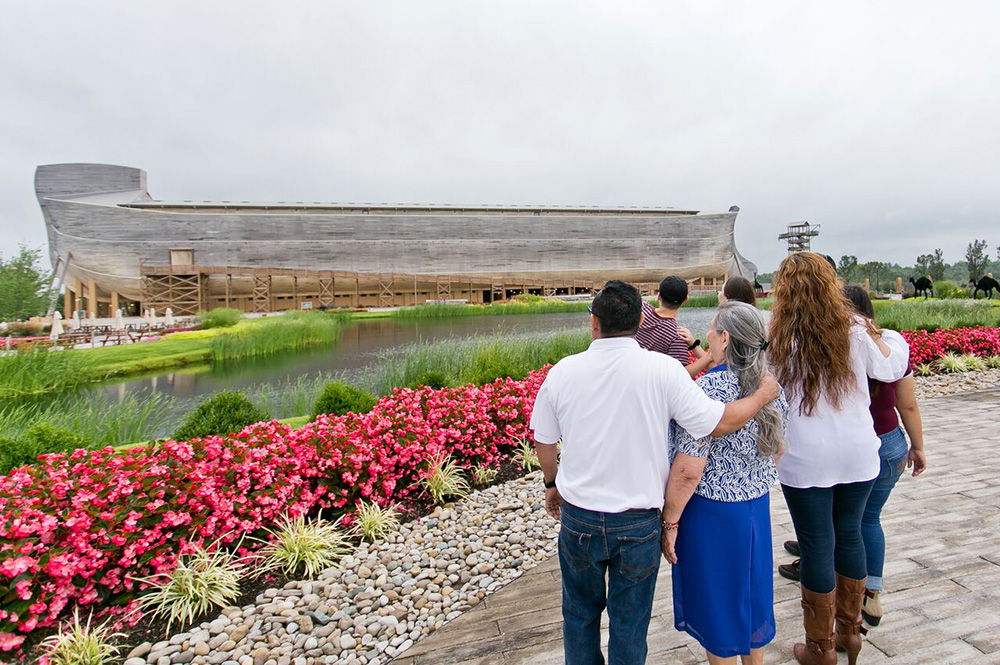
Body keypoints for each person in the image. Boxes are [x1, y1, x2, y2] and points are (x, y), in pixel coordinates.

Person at [530, 280, 781, 665]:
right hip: (637, 521)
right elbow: (715, 423)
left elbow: (544, 441)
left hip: (579, 516)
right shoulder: (664, 370)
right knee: (629, 623)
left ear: (594, 323)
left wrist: (551, 484)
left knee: (579, 614)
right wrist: (763, 395)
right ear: (638, 321)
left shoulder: (563, 371)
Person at [769, 253, 909, 665]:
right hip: (857, 450)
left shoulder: (779, 337)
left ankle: (820, 648)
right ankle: (850, 634)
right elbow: (891, 367)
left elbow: (767, 389)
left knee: (816, 544)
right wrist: (887, 334)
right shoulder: (855, 330)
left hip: (805, 455)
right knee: (849, 534)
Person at [779, 285, 928, 629]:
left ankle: (823, 640)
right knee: (858, 527)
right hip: (874, 446)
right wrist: (918, 445)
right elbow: (902, 389)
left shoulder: (808, 339)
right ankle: (858, 616)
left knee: (821, 539)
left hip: (819, 452)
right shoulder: (872, 338)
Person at [663, 301, 788, 665]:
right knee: (750, 597)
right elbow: (779, 447)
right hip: (754, 505)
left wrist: (670, 521)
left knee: (717, 602)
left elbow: (689, 468)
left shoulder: (711, 388)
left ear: (725, 338)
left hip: (711, 511)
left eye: (712, 330)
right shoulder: (768, 384)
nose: (707, 338)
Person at [635, 275, 712, 376]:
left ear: (658, 296)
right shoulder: (677, 336)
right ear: (685, 300)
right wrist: (708, 357)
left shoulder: (640, 309)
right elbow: (681, 375)